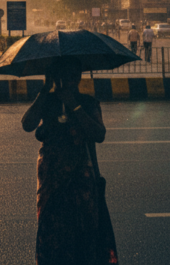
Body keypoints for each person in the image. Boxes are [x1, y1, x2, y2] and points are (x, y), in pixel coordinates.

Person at [21, 57, 117, 265]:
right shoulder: (47, 101)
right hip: (52, 182)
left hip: (81, 183)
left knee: (84, 238)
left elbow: (99, 134)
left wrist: (74, 105)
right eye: (65, 74)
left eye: (75, 74)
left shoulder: (88, 103)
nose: (71, 79)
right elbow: (27, 124)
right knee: (52, 237)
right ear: (56, 76)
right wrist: (44, 90)